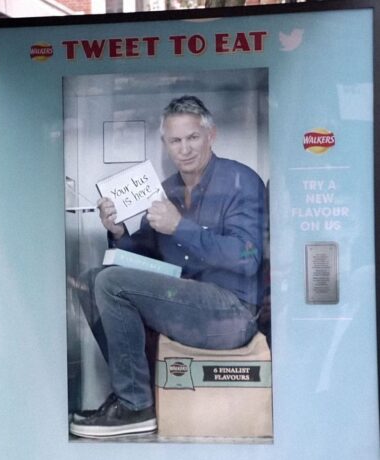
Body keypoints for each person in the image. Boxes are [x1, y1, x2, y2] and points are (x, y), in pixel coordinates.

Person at [69, 95, 266, 438]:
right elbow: (143, 253)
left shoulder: (240, 180)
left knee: (110, 283)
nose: (185, 149)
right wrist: (116, 230)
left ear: (211, 135)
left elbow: (247, 260)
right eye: (175, 141)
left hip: (231, 312)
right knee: (92, 282)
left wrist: (182, 228)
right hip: (184, 301)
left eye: (193, 138)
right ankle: (137, 395)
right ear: (165, 144)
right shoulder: (166, 190)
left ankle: (135, 407)